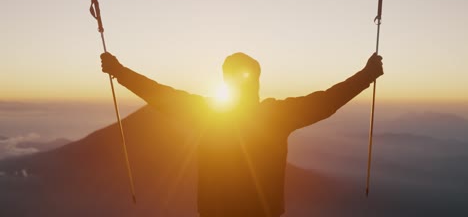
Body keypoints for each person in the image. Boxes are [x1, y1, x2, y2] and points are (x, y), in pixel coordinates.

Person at [100, 51, 383, 217]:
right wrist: (366, 75)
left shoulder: (206, 113)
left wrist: (119, 71)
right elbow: (326, 102)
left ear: (224, 80)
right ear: (257, 80)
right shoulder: (275, 116)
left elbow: (159, 95)